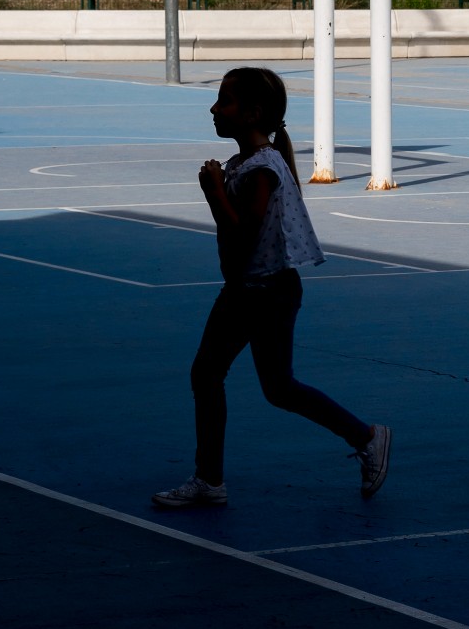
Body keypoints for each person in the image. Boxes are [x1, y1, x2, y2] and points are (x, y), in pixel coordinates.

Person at [153, 67, 390, 508]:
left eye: (224, 101)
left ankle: (212, 478)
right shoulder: (249, 163)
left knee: (216, 375)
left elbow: (244, 233)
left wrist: (213, 194)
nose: (214, 108)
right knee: (268, 385)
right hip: (255, 288)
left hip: (263, 291)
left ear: (253, 113)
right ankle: (364, 437)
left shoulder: (262, 169)